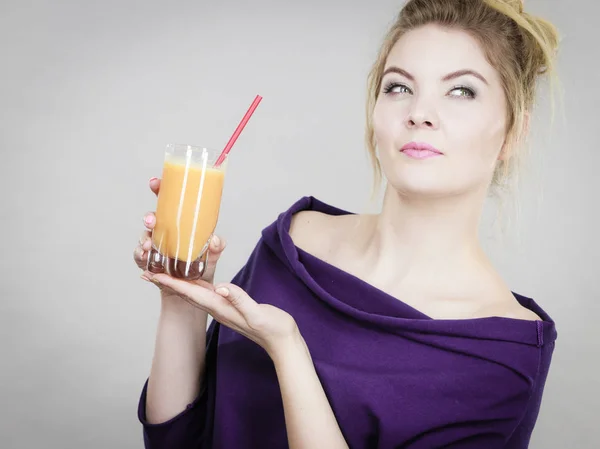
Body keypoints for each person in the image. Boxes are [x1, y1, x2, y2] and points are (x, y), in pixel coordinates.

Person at [132, 0, 560, 447]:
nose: (419, 113)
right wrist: (182, 296)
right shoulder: (293, 243)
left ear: (514, 133)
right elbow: (177, 438)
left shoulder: (501, 353)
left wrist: (288, 351)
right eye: (398, 87)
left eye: (462, 91)